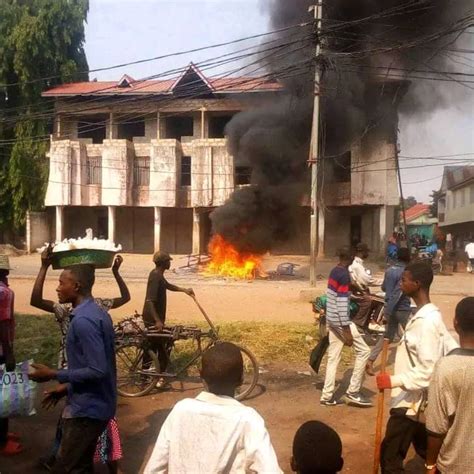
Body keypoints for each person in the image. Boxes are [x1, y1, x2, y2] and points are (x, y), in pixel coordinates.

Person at [30, 247, 127, 473]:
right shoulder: (98, 312)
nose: (58, 287)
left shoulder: (84, 321)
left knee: (66, 467)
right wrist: (65, 388)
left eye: (62, 282)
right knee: (82, 466)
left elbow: (97, 369)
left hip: (87, 409)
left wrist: (54, 374)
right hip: (95, 401)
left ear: (76, 286)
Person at [143, 342, 282, 474]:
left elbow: (154, 468)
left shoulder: (181, 410)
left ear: (201, 375)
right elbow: (269, 469)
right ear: (241, 380)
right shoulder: (248, 420)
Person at [376, 262, 458, 474]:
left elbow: (428, 371)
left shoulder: (427, 322)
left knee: (390, 458)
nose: (401, 283)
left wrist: (393, 381)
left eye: (404, 280)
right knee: (425, 449)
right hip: (416, 401)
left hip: (411, 402)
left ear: (417, 283)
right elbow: (452, 348)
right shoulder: (424, 315)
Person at [424, 297, 474, 474]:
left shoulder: (446, 367)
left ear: (456, 323)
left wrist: (430, 464)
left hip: (456, 464)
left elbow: (436, 426)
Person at [320, 249, 372, 408]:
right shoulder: (343, 275)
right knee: (364, 351)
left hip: (332, 319)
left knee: (333, 358)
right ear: (349, 258)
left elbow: (333, 297)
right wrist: (347, 330)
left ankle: (327, 396)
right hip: (341, 322)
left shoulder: (335, 271)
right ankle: (353, 392)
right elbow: (342, 304)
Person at [142, 251, 194, 386]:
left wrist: (184, 290)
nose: (170, 263)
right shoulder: (155, 276)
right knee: (163, 346)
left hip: (155, 317)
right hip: (152, 318)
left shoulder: (158, 275)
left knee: (154, 346)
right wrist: (157, 321)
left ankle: (147, 375)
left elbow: (168, 286)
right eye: (168, 261)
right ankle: (157, 377)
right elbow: (150, 301)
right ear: (163, 263)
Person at [366, 247, 412, 376]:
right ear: (408, 258)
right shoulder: (405, 272)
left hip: (389, 306)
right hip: (401, 308)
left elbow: (384, 287)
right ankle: (413, 364)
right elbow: (398, 294)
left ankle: (370, 361)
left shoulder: (390, 270)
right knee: (413, 334)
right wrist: (387, 313)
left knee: (387, 336)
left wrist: (387, 309)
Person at [0, 255, 22, 456]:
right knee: (3, 395)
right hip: (0, 351)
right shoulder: (4, 292)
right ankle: (2, 441)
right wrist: (9, 354)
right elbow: (3, 323)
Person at [349, 243, 381, 329]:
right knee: (376, 300)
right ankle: (358, 323)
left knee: (375, 299)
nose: (368, 254)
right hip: (356, 292)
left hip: (358, 290)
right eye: (366, 252)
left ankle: (366, 322)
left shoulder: (358, 263)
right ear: (361, 252)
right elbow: (367, 281)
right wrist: (382, 282)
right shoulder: (357, 265)